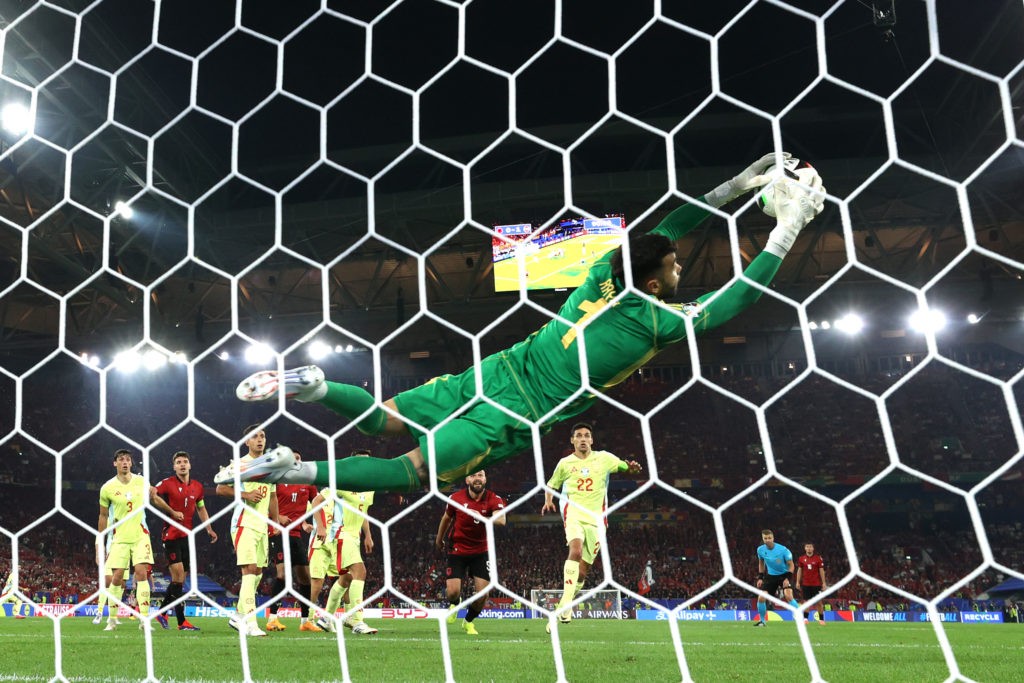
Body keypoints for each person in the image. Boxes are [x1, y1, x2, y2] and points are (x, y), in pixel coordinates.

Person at [217, 154, 826, 492]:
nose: (677, 269)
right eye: (672, 268)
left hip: (495, 369)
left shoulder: (606, 271)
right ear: (654, 280)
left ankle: (318, 386)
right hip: (512, 413)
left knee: (388, 417)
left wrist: (735, 185)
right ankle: (293, 469)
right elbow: (738, 297)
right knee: (408, 471)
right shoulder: (659, 323)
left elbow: (664, 228)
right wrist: (786, 226)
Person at [540, 423, 640, 632]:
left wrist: (631, 467)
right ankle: (563, 609)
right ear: (573, 440)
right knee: (574, 551)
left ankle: (565, 603)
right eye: (579, 436)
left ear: (592, 440)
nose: (583, 439)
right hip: (573, 514)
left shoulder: (604, 458)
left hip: (597, 520)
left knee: (583, 573)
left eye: (586, 435)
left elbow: (624, 467)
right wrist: (548, 500)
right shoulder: (565, 463)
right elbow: (551, 484)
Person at [97, 448, 182, 632]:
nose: (125, 462)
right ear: (115, 463)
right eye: (121, 459)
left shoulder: (142, 482)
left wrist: (172, 512)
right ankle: (111, 619)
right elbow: (103, 516)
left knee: (142, 573)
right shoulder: (107, 488)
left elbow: (155, 499)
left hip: (140, 535)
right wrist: (100, 541)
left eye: (128, 459)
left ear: (131, 463)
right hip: (119, 537)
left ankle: (144, 619)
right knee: (117, 577)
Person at [216, 426, 281, 637]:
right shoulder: (240, 464)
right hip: (244, 523)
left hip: (262, 527)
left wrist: (276, 521)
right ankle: (251, 624)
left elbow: (272, 496)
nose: (260, 439)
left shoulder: (270, 466)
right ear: (247, 442)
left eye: (262, 435)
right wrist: (245, 493)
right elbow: (220, 488)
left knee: (259, 574)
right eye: (255, 436)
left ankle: (238, 616)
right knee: (249, 571)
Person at [312, 450, 379, 635]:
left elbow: (363, 512)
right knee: (360, 572)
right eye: (360, 461)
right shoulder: (341, 483)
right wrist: (321, 527)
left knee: (346, 578)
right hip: (341, 534)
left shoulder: (369, 487)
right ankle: (356, 620)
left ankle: (326, 618)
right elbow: (316, 501)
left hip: (355, 536)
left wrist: (368, 535)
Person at [434, 469, 506, 635]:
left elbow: (501, 520)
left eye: (480, 475)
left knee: (482, 595)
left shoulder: (494, 499)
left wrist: (480, 517)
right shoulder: (455, 498)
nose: (477, 479)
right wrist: (439, 539)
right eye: (473, 476)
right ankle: (455, 602)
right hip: (457, 549)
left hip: (481, 551)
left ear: (485, 479)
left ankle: (468, 622)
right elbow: (446, 519)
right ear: (467, 480)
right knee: (452, 592)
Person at [153, 450, 217, 631]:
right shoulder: (167, 483)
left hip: (187, 536)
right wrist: (172, 512)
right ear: (174, 467)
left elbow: (201, 509)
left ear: (190, 465)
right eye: (178, 462)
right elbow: (153, 495)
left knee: (181, 579)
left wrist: (209, 528)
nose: (182, 464)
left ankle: (162, 612)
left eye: (185, 461)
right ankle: (181, 621)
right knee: (178, 576)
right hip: (171, 534)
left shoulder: (197, 487)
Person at [263, 451, 319, 632]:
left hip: (295, 535)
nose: (296, 460)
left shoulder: (307, 484)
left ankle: (305, 622)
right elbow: (263, 506)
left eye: (299, 458)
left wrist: (310, 523)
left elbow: (317, 503)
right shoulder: (276, 481)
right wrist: (278, 517)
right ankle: (272, 618)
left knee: (305, 576)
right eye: (292, 458)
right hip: (277, 532)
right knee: (283, 575)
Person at [753, 529, 799, 626]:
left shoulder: (783, 550)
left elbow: (791, 565)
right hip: (771, 576)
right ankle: (762, 621)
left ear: (773, 538)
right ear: (763, 539)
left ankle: (799, 617)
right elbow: (761, 563)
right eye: (765, 538)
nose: (767, 540)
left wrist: (787, 578)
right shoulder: (760, 550)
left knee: (788, 595)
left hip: (784, 575)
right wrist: (760, 577)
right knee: (761, 597)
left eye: (769, 538)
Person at [795, 542, 827, 625]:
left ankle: (821, 620)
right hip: (805, 584)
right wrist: (798, 582)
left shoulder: (818, 558)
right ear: (805, 548)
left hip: (816, 584)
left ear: (813, 548)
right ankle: (805, 619)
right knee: (806, 602)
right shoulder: (801, 558)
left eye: (810, 547)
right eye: (807, 547)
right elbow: (799, 570)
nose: (809, 548)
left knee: (819, 602)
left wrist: (823, 583)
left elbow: (821, 571)